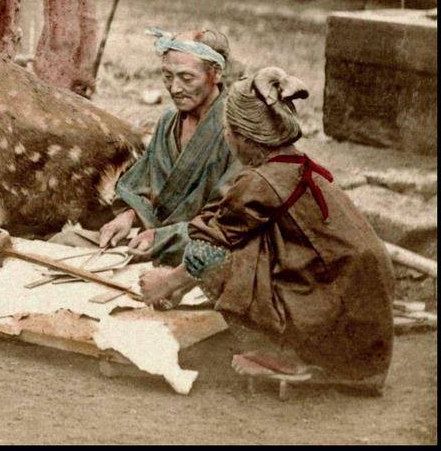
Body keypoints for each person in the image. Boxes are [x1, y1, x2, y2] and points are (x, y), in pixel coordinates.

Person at [138, 67, 394, 389]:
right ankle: (335, 363)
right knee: (243, 245)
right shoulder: (296, 163)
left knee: (224, 260)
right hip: (361, 309)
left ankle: (288, 356)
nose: (226, 137)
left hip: (336, 304)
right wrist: (182, 284)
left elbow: (212, 248)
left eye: (227, 131)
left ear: (243, 136)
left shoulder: (260, 181)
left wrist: (166, 282)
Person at [98, 28, 243, 264]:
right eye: (167, 76)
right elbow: (141, 185)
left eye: (186, 78)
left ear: (215, 74)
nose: (174, 88)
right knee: (66, 242)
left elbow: (229, 219)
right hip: (150, 237)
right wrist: (128, 215)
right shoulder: (167, 123)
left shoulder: (237, 132)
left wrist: (162, 236)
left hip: (203, 247)